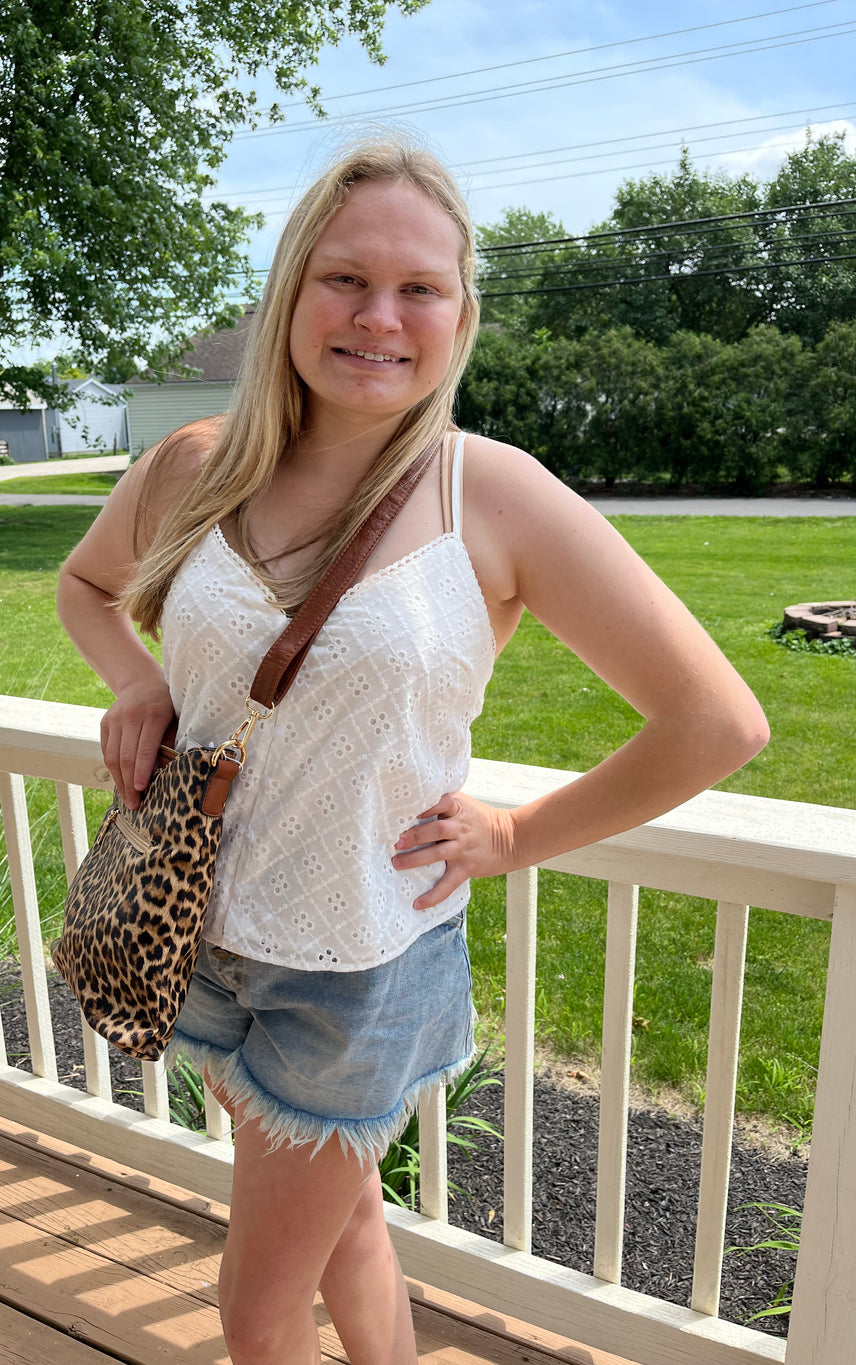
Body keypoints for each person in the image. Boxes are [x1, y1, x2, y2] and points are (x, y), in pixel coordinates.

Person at [56, 139, 768, 1365]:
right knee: (339, 1239)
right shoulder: (193, 465)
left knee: (255, 1306)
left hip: (357, 966)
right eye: (344, 280)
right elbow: (85, 585)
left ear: (459, 313)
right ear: (290, 292)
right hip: (201, 932)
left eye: (418, 289)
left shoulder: (488, 495)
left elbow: (717, 720)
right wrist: (135, 681)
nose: (379, 317)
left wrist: (518, 836)